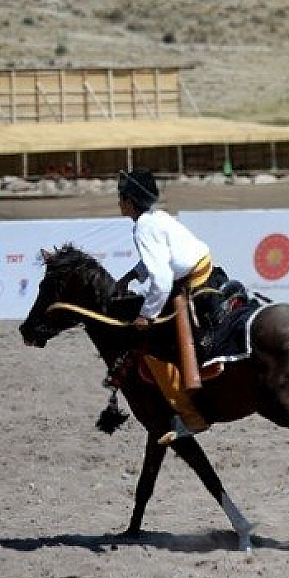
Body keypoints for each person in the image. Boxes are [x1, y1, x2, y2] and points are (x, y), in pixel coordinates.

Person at [117, 169, 222, 443]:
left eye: (121, 197)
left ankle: (190, 416)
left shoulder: (143, 228)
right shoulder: (157, 217)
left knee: (154, 352)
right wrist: (133, 275)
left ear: (130, 202)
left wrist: (146, 315)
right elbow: (160, 258)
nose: (119, 202)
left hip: (190, 282)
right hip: (204, 268)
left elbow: (162, 280)